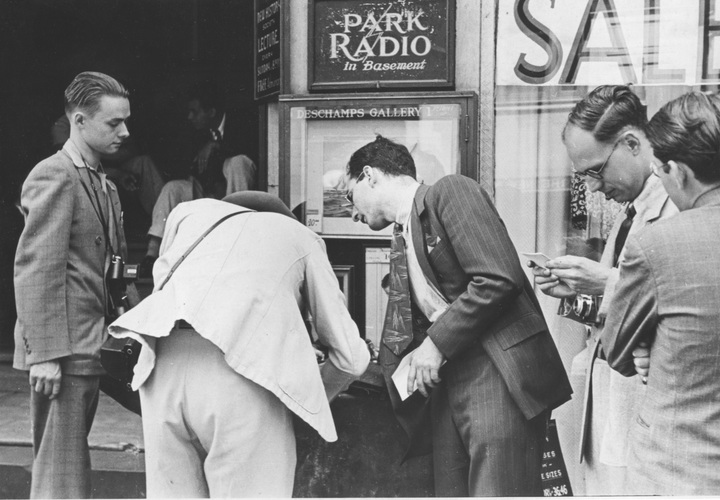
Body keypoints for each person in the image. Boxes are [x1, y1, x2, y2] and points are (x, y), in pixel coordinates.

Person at [345, 135, 572, 496]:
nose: (351, 212)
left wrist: (435, 344)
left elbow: (498, 278)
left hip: (495, 373)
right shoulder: (404, 233)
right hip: (449, 383)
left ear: (370, 176)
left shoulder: (450, 190)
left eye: (349, 195)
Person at [107, 191, 370, 497]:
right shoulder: (301, 236)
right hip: (241, 381)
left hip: (163, 365)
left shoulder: (187, 214)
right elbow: (351, 358)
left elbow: (167, 287)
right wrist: (303, 398)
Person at [529, 85, 678, 494]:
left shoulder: (678, 207)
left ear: (631, 143)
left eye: (594, 172)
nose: (592, 188)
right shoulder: (630, 211)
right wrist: (574, 295)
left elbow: (676, 298)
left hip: (643, 407)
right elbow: (619, 309)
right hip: (608, 400)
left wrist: (601, 281)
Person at [14, 71, 137, 498]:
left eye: (125, 121)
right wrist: (44, 356)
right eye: (113, 123)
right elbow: (36, 270)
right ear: (79, 122)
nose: (125, 131)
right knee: (59, 477)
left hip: (89, 346)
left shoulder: (101, 179)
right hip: (62, 354)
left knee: (67, 470)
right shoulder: (56, 175)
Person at [601, 91, 720, 495]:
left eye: (661, 173)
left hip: (675, 467)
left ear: (679, 171)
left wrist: (651, 344)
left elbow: (616, 350)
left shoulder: (657, 245)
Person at [141, 81, 257, 275]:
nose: (190, 117)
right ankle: (152, 254)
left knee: (237, 163)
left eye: (195, 112)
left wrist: (215, 146)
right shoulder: (194, 132)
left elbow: (251, 155)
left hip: (236, 192)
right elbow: (189, 168)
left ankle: (235, 234)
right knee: (172, 187)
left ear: (211, 112)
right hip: (207, 192)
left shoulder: (241, 122)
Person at [51, 113, 165, 219]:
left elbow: (131, 149)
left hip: (113, 167)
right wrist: (116, 172)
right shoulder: (65, 124)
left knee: (143, 162)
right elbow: (73, 162)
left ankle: (163, 220)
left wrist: (100, 153)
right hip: (88, 174)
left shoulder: (111, 115)